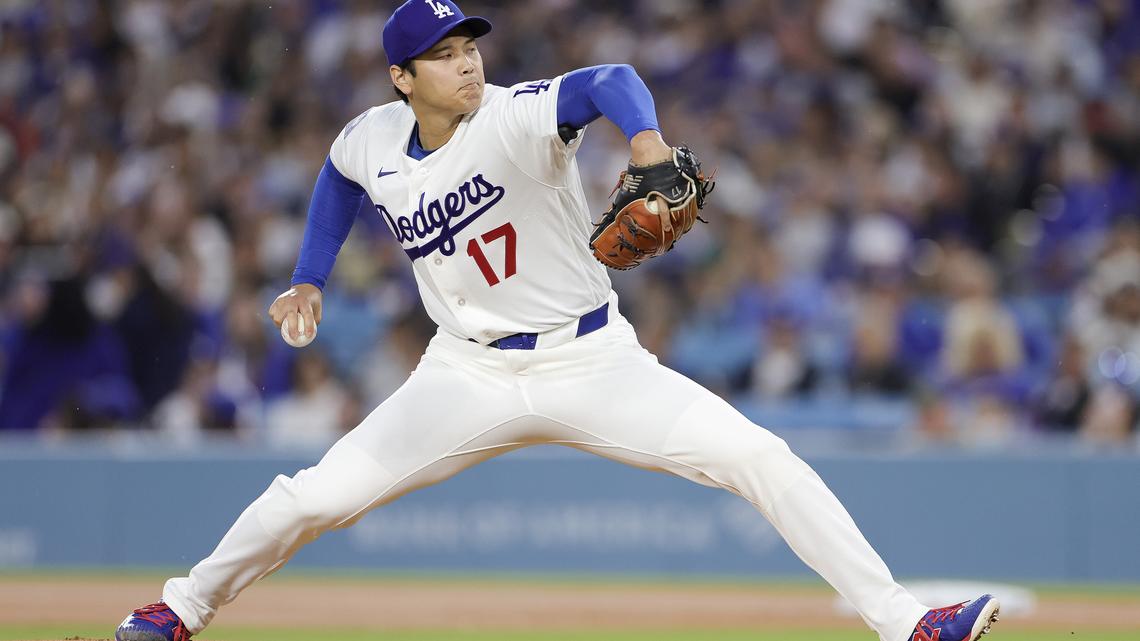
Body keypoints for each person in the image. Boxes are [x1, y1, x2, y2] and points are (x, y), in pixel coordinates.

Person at [115, 2, 1000, 641]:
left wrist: (646, 143)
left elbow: (610, 80)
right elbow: (340, 178)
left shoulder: (513, 117)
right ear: (402, 77)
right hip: (462, 374)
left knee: (759, 457)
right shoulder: (373, 137)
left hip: (592, 360)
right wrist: (309, 276)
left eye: (468, 44)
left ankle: (905, 623)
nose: (466, 62)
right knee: (314, 496)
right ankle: (178, 609)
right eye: (442, 53)